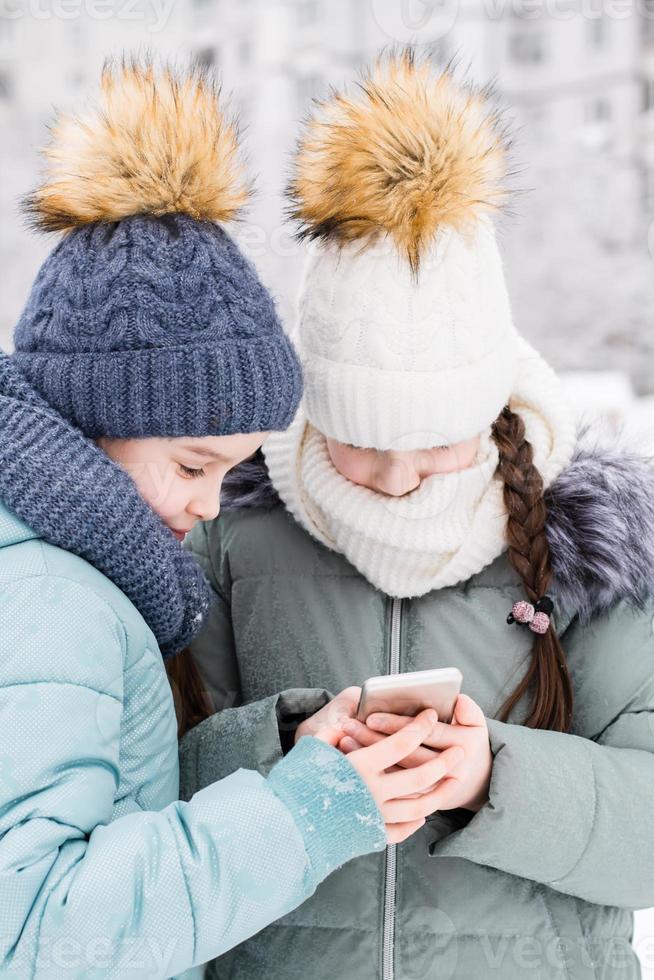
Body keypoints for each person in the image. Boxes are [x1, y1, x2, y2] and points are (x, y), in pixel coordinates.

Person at [180, 50, 654, 980]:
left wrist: (493, 779)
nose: (397, 480)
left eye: (435, 443)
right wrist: (283, 750)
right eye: (359, 441)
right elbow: (152, 788)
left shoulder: (592, 548)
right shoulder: (234, 534)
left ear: (490, 408)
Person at [0, 55, 452, 980]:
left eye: (232, 471)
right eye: (192, 465)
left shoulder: (54, 560)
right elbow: (35, 930)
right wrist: (304, 812)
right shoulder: (51, 595)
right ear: (97, 420)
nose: (209, 505)